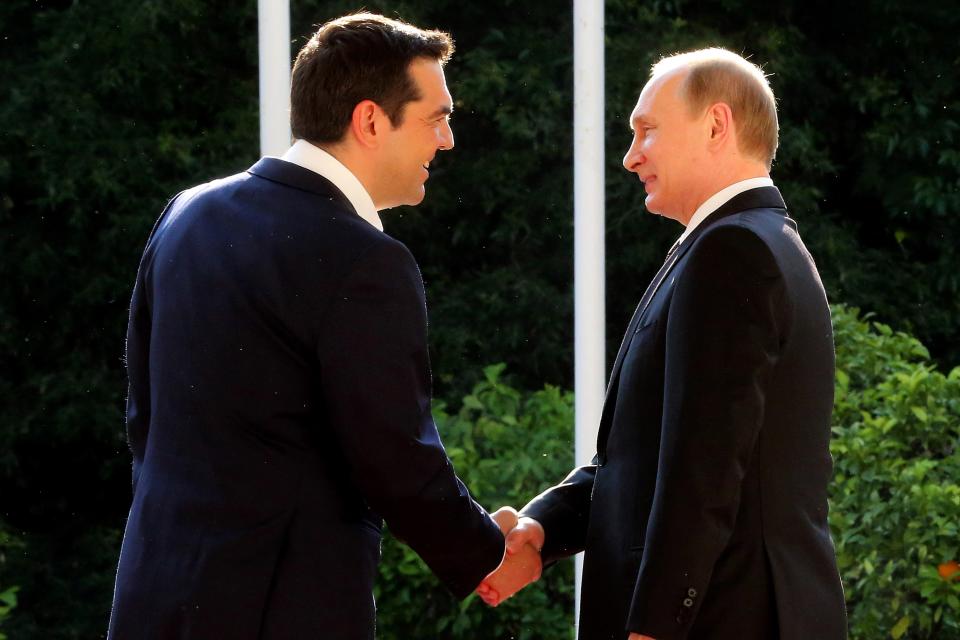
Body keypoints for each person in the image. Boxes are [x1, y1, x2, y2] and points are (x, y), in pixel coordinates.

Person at [108, 13, 512, 639]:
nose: (449, 140)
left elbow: (146, 417)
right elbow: (394, 456)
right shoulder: (365, 260)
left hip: (152, 596)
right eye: (437, 117)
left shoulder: (186, 214)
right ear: (371, 120)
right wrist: (489, 549)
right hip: (280, 608)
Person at [481, 48, 848, 640]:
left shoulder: (733, 253)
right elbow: (643, 460)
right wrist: (542, 528)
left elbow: (702, 471)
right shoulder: (748, 243)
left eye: (646, 131)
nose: (630, 158)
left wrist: (655, 625)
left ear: (716, 125)